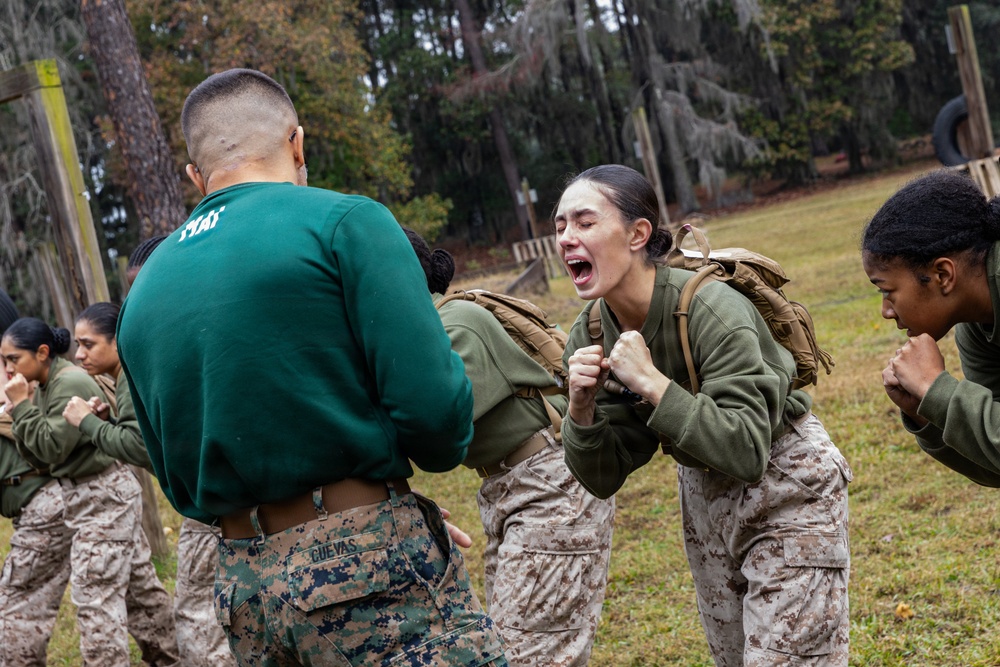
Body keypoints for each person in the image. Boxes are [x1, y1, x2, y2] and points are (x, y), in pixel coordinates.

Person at [116, 68, 506, 666]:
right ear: (298, 143)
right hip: (365, 566)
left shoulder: (142, 294)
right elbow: (437, 420)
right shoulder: (346, 222)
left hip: (243, 584)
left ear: (197, 177)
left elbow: (172, 474)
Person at [554, 164, 852, 667]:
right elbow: (603, 476)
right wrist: (580, 411)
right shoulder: (590, 336)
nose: (566, 238)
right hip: (702, 491)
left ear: (637, 234)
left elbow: (747, 448)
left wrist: (651, 382)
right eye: (559, 226)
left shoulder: (713, 308)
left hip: (787, 478)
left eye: (584, 222)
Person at [404, 228, 615, 666]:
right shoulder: (428, 330)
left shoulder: (453, 326)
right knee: (507, 648)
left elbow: (430, 431)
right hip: (510, 489)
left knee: (527, 656)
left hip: (550, 485)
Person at [1, 317, 143, 666]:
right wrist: (21, 414)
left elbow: (51, 450)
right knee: (138, 592)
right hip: (82, 497)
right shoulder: (46, 385)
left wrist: (20, 407)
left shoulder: (67, 383)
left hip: (101, 495)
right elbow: (39, 455)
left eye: (13, 360)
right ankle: (169, 658)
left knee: (95, 599)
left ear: (42, 353)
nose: (6, 370)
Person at [862, 169, 1000, 485]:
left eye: (886, 290)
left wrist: (937, 389)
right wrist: (926, 413)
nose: (885, 310)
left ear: (942, 275)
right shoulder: (977, 324)